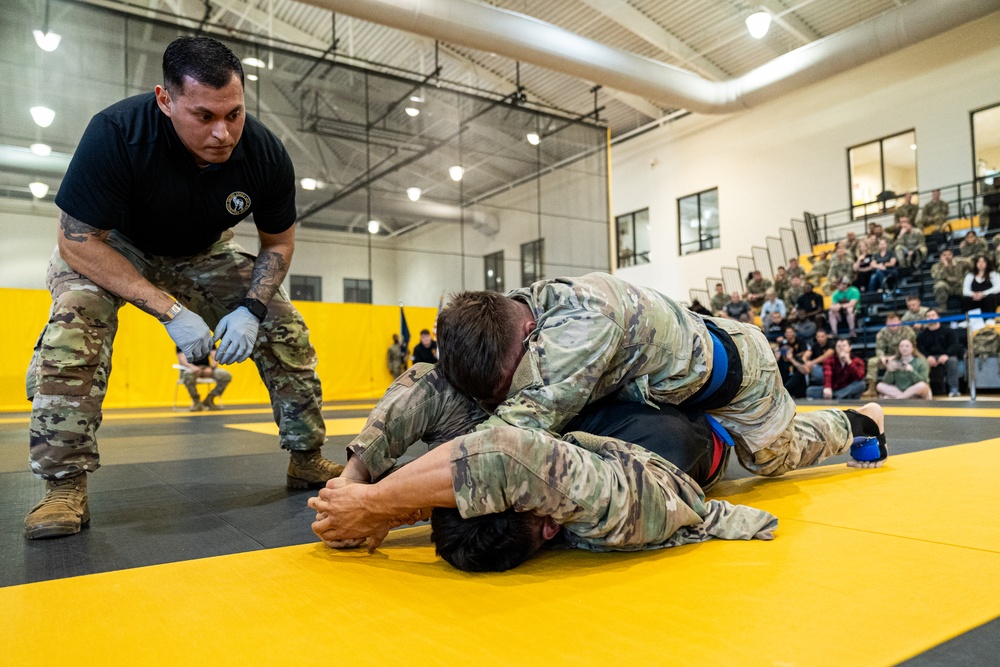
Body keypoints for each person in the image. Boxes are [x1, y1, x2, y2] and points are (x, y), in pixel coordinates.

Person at [22, 37, 342, 540]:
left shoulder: (262, 152)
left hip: (205, 251)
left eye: (234, 114)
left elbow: (278, 242)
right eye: (204, 115)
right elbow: (77, 242)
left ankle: (307, 456)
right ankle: (64, 485)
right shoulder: (116, 134)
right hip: (113, 247)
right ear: (165, 100)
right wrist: (170, 310)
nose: (222, 133)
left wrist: (252, 308)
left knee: (284, 326)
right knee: (75, 325)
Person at [435, 273, 890, 482]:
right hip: (672, 384)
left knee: (772, 461)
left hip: (742, 373)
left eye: (515, 378)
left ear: (531, 335)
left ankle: (860, 420)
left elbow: (498, 441)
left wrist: (379, 500)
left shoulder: (584, 324)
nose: (519, 389)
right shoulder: (518, 309)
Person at [310, 424, 779, 571]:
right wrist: (374, 503)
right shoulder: (616, 512)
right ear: (550, 524)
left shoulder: (537, 509)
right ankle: (855, 420)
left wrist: (379, 505)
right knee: (780, 444)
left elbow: (490, 477)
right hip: (701, 432)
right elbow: (501, 456)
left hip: (614, 415)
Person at [863, 312, 917, 398]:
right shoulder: (883, 332)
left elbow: (911, 347)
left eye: (895, 321)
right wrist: (882, 357)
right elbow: (879, 348)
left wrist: (896, 356)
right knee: (872, 362)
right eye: (890, 321)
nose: (892, 323)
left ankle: (905, 389)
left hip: (903, 356)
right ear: (886, 323)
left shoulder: (907, 331)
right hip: (887, 357)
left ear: (900, 321)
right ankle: (871, 388)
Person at [916, 309, 962, 397]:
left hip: (946, 356)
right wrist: (927, 357)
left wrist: (946, 355)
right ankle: (923, 391)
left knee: (953, 361)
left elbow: (955, 345)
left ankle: (954, 389)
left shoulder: (948, 331)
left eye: (933, 315)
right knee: (920, 362)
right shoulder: (922, 335)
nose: (930, 318)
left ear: (938, 317)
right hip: (929, 357)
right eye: (928, 316)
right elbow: (920, 348)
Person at [176, 345, 231, 411]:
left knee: (225, 376)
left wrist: (212, 367)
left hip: (207, 368)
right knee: (187, 377)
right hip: (190, 369)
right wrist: (192, 367)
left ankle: (209, 399)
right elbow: (182, 359)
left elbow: (215, 356)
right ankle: (196, 401)